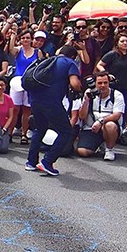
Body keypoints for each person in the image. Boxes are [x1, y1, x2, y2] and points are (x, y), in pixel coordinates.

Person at [24, 45, 83, 176]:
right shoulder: (70, 63)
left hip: (35, 100)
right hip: (51, 102)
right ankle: (48, 161)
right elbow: (74, 83)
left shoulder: (48, 61)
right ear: (72, 56)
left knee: (40, 129)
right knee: (66, 131)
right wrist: (81, 87)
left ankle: (31, 162)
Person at [75, 72, 125, 161]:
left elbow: (117, 115)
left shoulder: (117, 95)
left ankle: (109, 149)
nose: (103, 86)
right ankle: (98, 144)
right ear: (95, 84)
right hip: (91, 128)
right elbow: (82, 116)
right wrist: (86, 100)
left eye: (105, 83)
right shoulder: (89, 94)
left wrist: (100, 121)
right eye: (100, 83)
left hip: (110, 127)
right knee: (82, 152)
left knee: (110, 125)